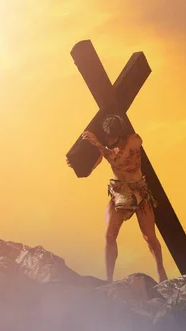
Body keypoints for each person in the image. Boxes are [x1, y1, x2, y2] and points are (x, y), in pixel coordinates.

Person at [66, 114, 168, 282]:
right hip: (120, 193)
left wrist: (97, 144)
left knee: (150, 237)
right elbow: (92, 166)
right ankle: (109, 279)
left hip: (139, 193)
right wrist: (76, 162)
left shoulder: (133, 141)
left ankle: (161, 273)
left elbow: (118, 159)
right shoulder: (106, 149)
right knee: (109, 235)